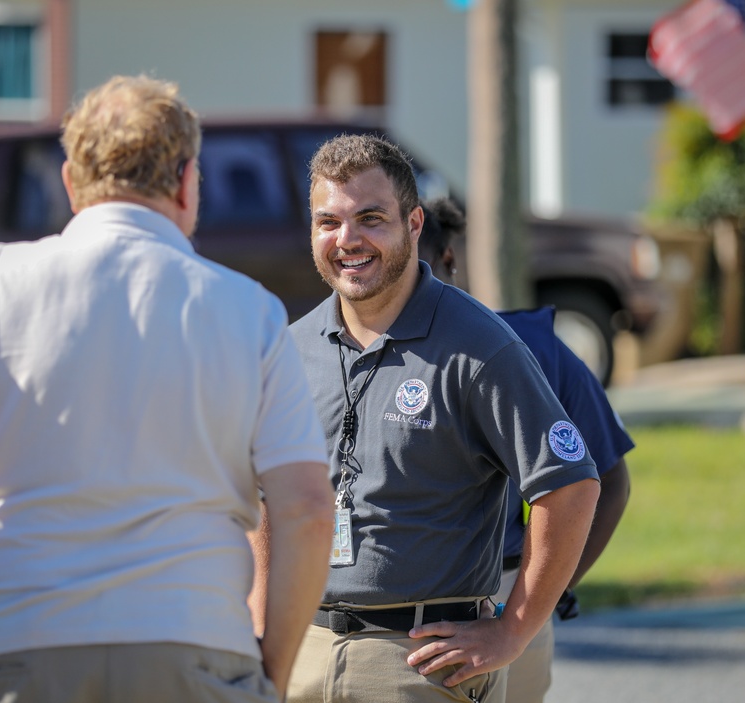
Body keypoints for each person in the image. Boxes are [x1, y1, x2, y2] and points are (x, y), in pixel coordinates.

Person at [0, 75, 334, 703]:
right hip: (194, 651)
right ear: (187, 181)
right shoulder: (248, 311)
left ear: (69, 181)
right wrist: (269, 674)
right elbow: (305, 506)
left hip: (5, 648)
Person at [250, 132, 601, 703]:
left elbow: (571, 487)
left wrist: (512, 630)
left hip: (416, 662)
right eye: (328, 222)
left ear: (414, 224)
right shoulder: (289, 349)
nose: (348, 240)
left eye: (371, 218)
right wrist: (262, 622)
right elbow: (262, 495)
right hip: (300, 654)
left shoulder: (482, 347)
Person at [419, 197, 634, 703]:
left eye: (421, 267)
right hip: (392, 614)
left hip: (506, 590)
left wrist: (539, 597)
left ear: (450, 260)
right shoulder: (355, 359)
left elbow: (610, 482)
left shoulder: (533, 348)